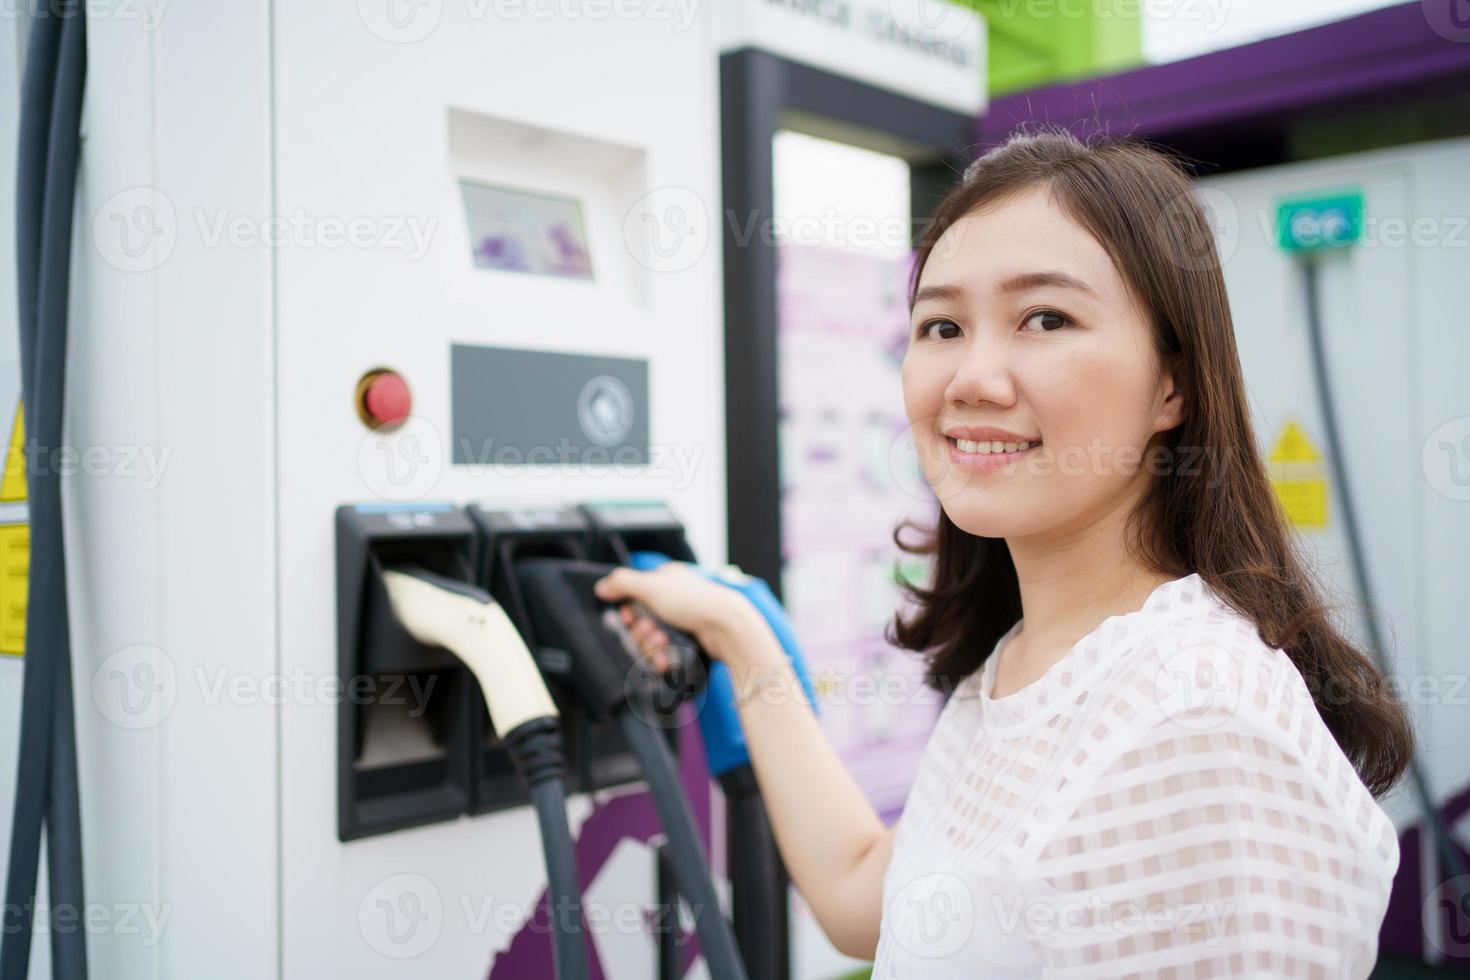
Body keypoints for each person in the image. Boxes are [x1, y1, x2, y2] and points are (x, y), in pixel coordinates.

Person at [593, 126, 1409, 978]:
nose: (973, 378)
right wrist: (738, 633)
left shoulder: (1196, 711)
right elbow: (863, 895)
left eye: (1045, 318)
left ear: (1174, 382)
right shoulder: (1028, 667)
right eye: (941, 325)